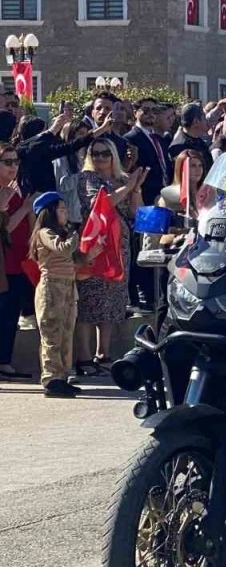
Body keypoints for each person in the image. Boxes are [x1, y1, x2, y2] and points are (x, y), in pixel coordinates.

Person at [73, 139, 146, 378]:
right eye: (95, 154)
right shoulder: (87, 178)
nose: (100, 158)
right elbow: (98, 204)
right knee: (88, 301)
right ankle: (84, 357)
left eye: (106, 154)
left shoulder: (124, 178)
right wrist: (127, 188)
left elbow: (136, 211)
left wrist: (135, 189)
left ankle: (103, 353)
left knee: (112, 300)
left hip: (119, 246)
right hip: (95, 245)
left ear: (113, 155)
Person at [29, 191, 100, 397]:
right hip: (52, 287)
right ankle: (51, 379)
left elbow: (72, 261)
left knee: (66, 333)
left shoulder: (63, 233)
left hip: (67, 286)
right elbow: (63, 249)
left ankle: (62, 375)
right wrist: (77, 234)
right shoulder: (46, 233)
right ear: (50, 212)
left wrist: (89, 255)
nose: (66, 213)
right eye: (61, 209)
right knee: (52, 334)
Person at [0, 142, 36, 378]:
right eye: (7, 162)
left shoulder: (17, 186)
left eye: (16, 161)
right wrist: (23, 208)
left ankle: (5, 361)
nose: (13, 166)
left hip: (20, 258)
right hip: (4, 262)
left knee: (11, 314)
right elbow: (5, 229)